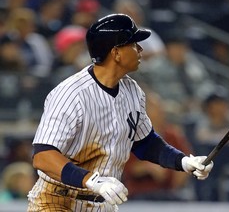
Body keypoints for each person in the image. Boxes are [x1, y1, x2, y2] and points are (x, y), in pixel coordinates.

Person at [27, 14, 214, 212]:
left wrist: (183, 161)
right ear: (116, 52)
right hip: (57, 200)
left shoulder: (133, 91)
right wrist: (92, 180)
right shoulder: (71, 94)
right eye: (134, 44)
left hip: (101, 202)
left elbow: (145, 143)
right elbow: (43, 157)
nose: (141, 49)